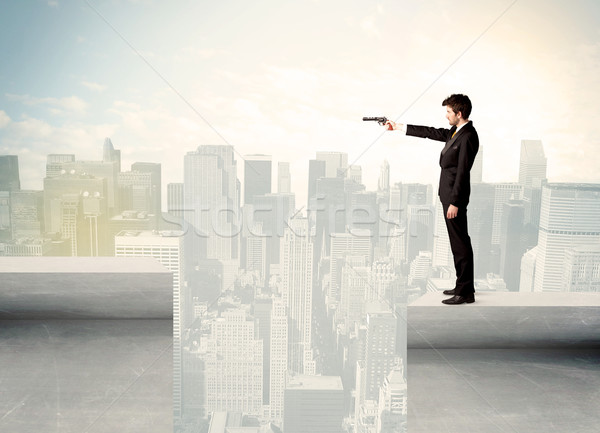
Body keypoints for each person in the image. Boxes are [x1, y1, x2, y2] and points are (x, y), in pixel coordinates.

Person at [386, 94, 479, 304]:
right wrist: (399, 126)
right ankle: (462, 285)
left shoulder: (468, 136)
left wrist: (455, 202)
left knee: (460, 243)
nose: (446, 115)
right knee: (457, 243)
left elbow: (463, 172)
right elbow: (431, 132)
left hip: (455, 198)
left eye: (448, 112)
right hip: (447, 195)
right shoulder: (456, 132)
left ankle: (466, 293)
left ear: (459, 113)